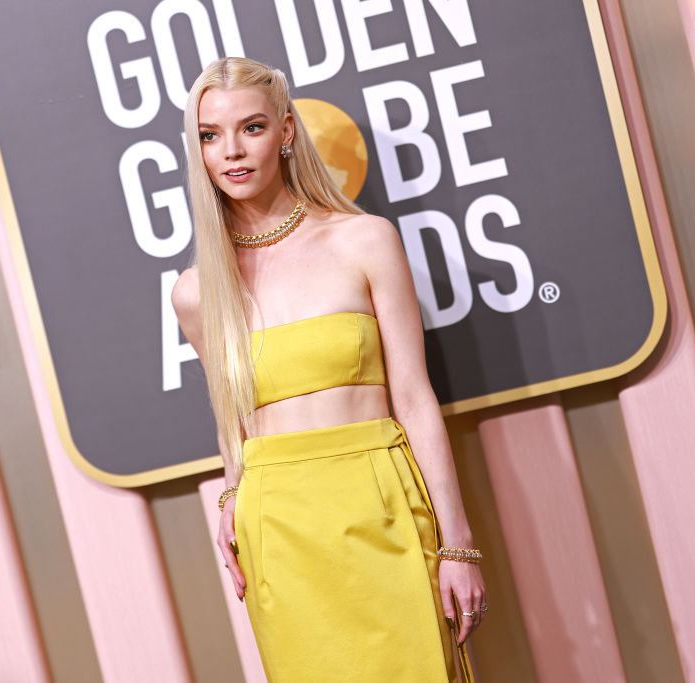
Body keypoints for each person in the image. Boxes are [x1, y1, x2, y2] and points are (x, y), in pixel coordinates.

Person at [171, 57, 486, 683]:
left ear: (287, 132)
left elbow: (415, 398)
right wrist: (232, 493)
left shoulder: (363, 241)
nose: (230, 151)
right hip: (280, 532)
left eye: (251, 128)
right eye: (210, 135)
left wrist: (457, 543)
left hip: (382, 509)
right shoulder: (195, 291)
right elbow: (234, 420)